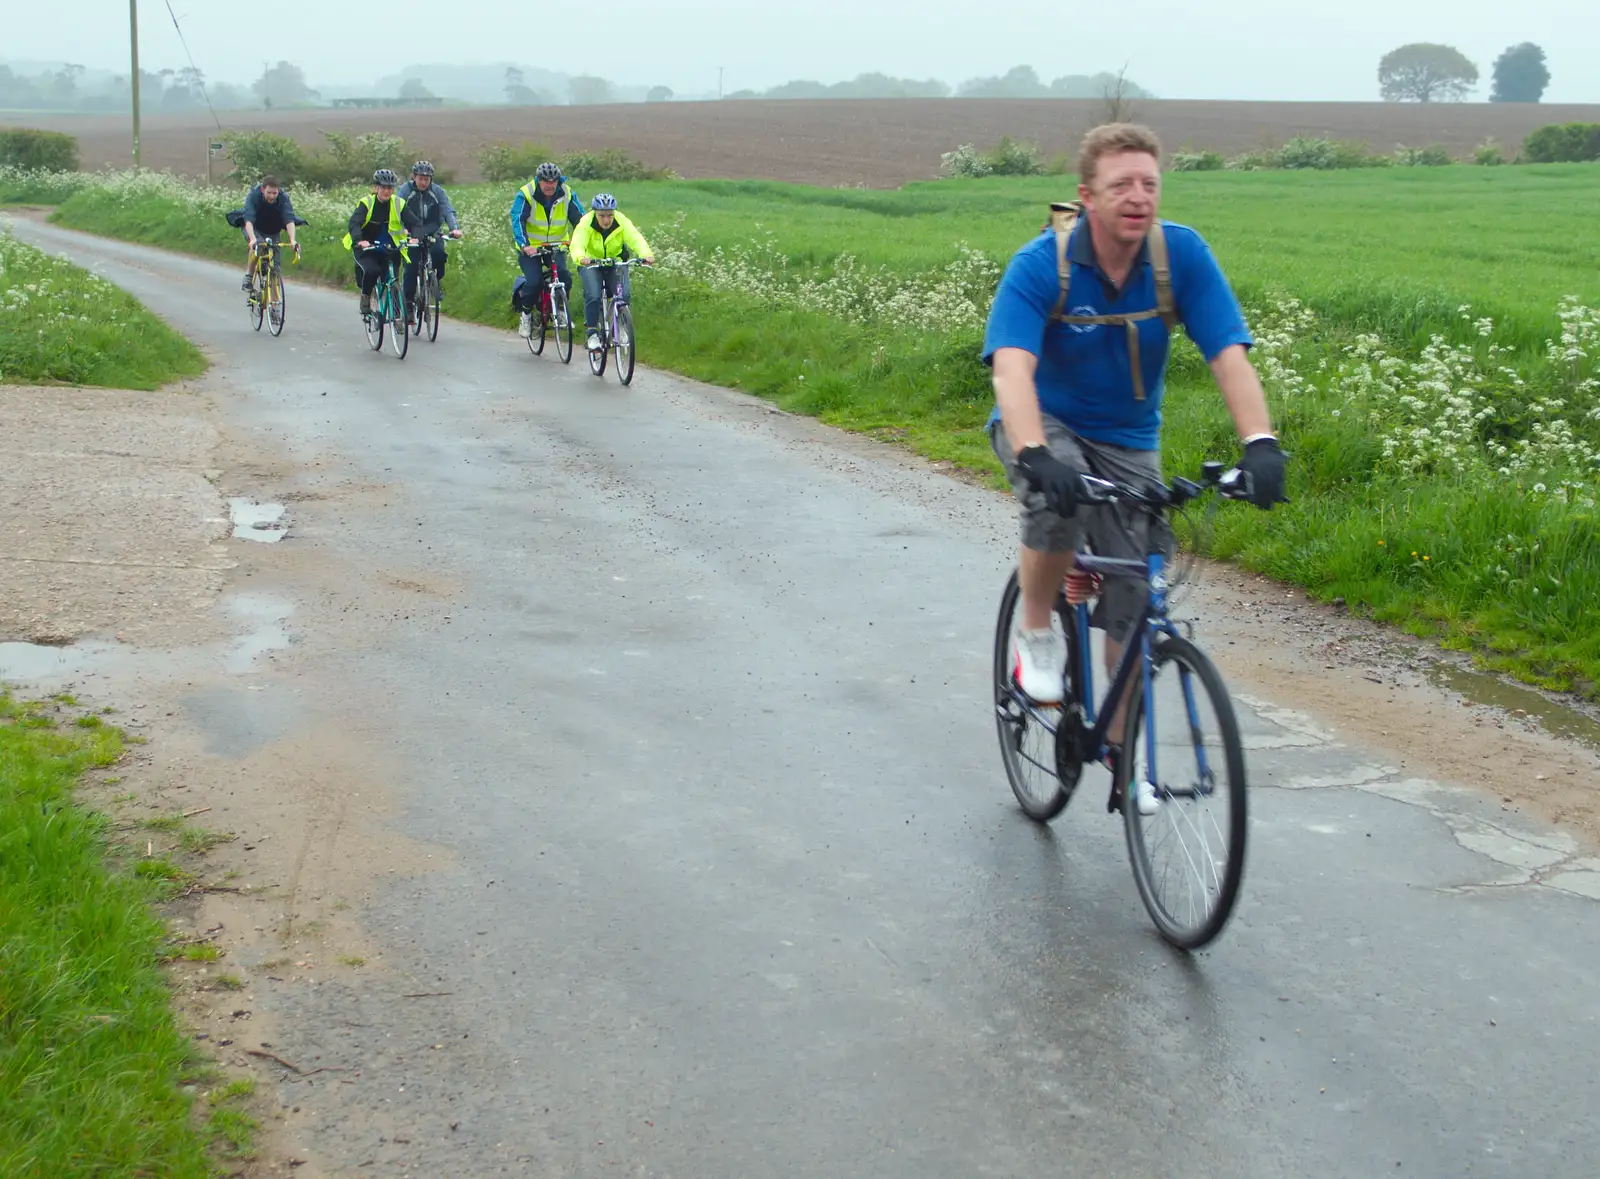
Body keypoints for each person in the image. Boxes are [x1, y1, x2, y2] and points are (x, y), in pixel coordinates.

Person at [983, 123, 1287, 810]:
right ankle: (1036, 631)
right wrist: (1033, 453)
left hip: (1128, 437)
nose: (1138, 196)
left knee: (1134, 594)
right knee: (1055, 500)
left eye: (1149, 183)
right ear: (1088, 196)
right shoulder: (1043, 264)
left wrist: (1260, 443)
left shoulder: (1179, 256)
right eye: (1122, 184)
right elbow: (1011, 368)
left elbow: (1228, 355)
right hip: (1044, 419)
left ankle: (1123, 757)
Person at [568, 193, 655, 351]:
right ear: (595, 213)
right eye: (602, 216)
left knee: (624, 295)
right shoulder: (586, 223)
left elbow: (635, 237)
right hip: (591, 262)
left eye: (610, 215)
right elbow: (577, 243)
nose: (606, 220)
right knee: (593, 295)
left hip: (615, 261)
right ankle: (592, 333)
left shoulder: (621, 221)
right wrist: (581, 257)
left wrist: (646, 254)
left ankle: (621, 327)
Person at [509, 161, 584, 337]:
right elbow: (517, 220)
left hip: (557, 245)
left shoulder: (567, 193)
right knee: (534, 282)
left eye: (553, 181)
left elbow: (581, 220)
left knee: (564, 276)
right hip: (532, 247)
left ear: (558, 181)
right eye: (546, 181)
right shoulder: (526, 194)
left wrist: (580, 240)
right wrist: (524, 245)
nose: (550, 185)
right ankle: (526, 315)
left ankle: (560, 308)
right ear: (539, 180)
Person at [342, 169, 423, 319]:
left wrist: (416, 238)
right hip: (367, 248)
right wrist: (360, 240)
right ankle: (366, 297)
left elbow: (415, 223)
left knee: (393, 282)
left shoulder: (399, 203)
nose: (387, 191)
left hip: (390, 248)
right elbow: (354, 223)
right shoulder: (367, 203)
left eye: (390, 188)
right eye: (384, 187)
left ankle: (397, 318)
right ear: (376, 188)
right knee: (372, 271)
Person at [397, 160, 462, 309]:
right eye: (420, 179)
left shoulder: (437, 191)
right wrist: (402, 230)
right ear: (414, 177)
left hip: (432, 229)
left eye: (427, 179)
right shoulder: (405, 191)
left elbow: (447, 209)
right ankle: (408, 304)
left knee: (439, 254)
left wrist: (454, 228)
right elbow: (396, 211)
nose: (423, 182)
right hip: (411, 232)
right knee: (411, 266)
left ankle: (434, 282)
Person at [239, 175, 299, 289]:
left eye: (275, 193)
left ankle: (275, 304)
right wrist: (252, 239)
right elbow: (249, 219)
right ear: (263, 190)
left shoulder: (283, 198)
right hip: (254, 227)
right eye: (269, 193)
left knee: (275, 268)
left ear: (279, 191)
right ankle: (249, 276)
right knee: (258, 246)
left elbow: (289, 219)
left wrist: (292, 240)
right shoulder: (254, 195)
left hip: (272, 229)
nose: (272, 196)